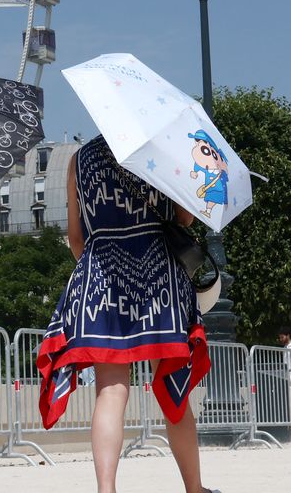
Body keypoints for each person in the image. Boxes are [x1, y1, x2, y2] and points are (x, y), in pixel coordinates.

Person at [36, 136, 219, 493]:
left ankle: (107, 489)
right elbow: (183, 218)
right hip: (158, 275)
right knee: (173, 389)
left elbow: (76, 238)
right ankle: (194, 489)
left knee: (110, 391)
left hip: (101, 273)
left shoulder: (78, 160)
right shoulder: (156, 147)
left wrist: (104, 270)